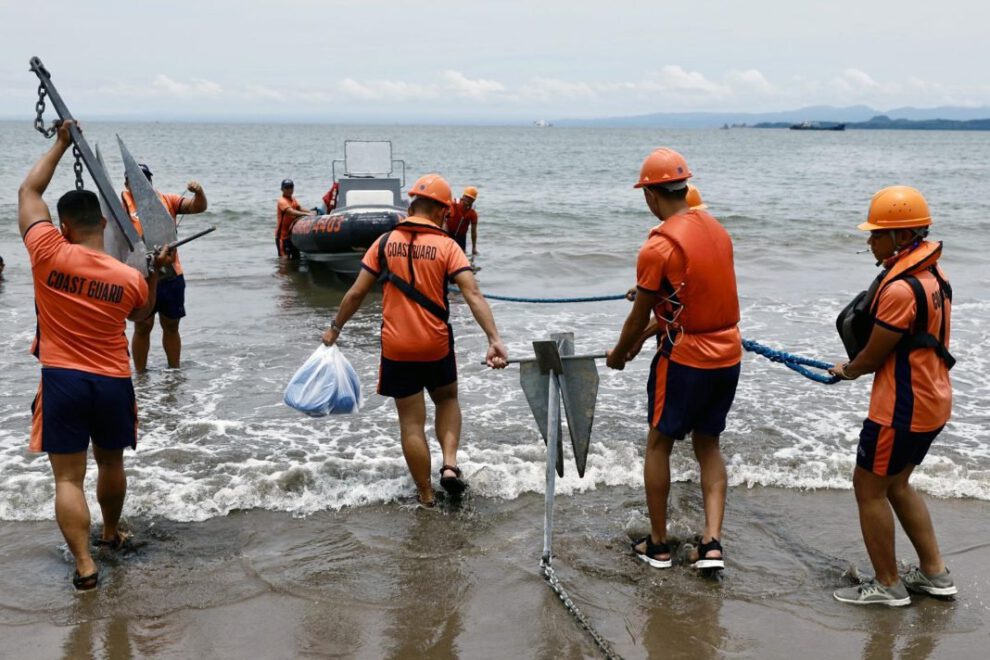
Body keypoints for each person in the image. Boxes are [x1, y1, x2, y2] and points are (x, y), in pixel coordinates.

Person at [18, 120, 172, 591]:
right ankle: (109, 533)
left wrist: (61, 144)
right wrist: (157, 273)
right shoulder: (126, 276)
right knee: (111, 464)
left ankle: (85, 564)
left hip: (62, 378)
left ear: (63, 226)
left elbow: (30, 189)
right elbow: (142, 318)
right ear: (105, 224)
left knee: (68, 478)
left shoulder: (46, 249)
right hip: (111, 379)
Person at [321, 173, 508, 507]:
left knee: (411, 423)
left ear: (412, 205)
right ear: (440, 211)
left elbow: (356, 293)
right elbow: (473, 293)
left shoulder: (383, 243)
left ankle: (425, 495)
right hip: (435, 343)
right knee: (447, 400)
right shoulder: (448, 246)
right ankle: (449, 465)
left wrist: (335, 328)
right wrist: (493, 338)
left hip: (397, 347)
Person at [606, 148, 741, 571]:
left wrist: (619, 353)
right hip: (729, 356)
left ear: (650, 194)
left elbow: (639, 315)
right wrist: (640, 337)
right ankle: (712, 543)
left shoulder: (658, 246)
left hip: (684, 360)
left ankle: (659, 545)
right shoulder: (718, 231)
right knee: (709, 445)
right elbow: (686, 304)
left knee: (659, 444)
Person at [830, 186, 956, 606]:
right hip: (933, 399)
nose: (870, 241)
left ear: (902, 237)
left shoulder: (901, 290)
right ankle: (935, 574)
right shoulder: (934, 277)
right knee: (898, 484)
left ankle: (887, 585)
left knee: (868, 488)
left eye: (877, 234)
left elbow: (872, 355)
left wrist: (846, 370)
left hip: (901, 409)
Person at [122, 162, 208, 372]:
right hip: (140, 276)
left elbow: (198, 207)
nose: (141, 184)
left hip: (170, 276)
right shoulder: (122, 204)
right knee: (142, 326)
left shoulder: (166, 200)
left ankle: (174, 372)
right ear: (127, 182)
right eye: (135, 180)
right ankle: (140, 375)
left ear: (150, 181)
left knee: (171, 326)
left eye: (145, 179)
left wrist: (199, 192)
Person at [276, 179, 316, 260]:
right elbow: (290, 212)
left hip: (292, 235)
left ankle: (293, 272)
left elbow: (299, 208)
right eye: (287, 187)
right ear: (282, 189)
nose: (289, 190)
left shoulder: (292, 199)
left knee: (296, 257)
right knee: (284, 260)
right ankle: (283, 272)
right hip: (282, 237)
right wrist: (307, 214)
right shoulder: (281, 201)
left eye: (291, 187)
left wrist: (311, 212)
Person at [446, 186, 479, 256]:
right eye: (466, 197)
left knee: (461, 256)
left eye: (470, 198)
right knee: (446, 253)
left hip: (461, 237)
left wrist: (474, 248)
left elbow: (473, 232)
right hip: (448, 233)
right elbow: (444, 216)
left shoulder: (473, 213)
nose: (467, 200)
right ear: (463, 196)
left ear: (473, 201)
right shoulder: (454, 204)